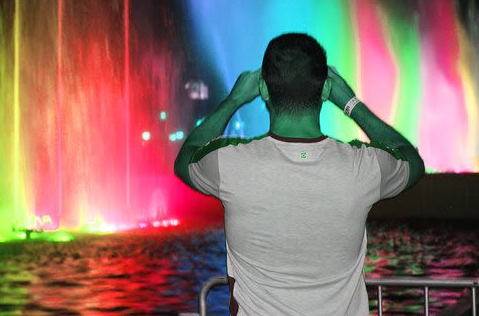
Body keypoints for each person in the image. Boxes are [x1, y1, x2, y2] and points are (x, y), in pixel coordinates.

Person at [174, 33, 425, 315]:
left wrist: (234, 100)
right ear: (326, 89)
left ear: (263, 90)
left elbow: (186, 157)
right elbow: (411, 160)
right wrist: (349, 102)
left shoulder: (230, 163)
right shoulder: (361, 166)